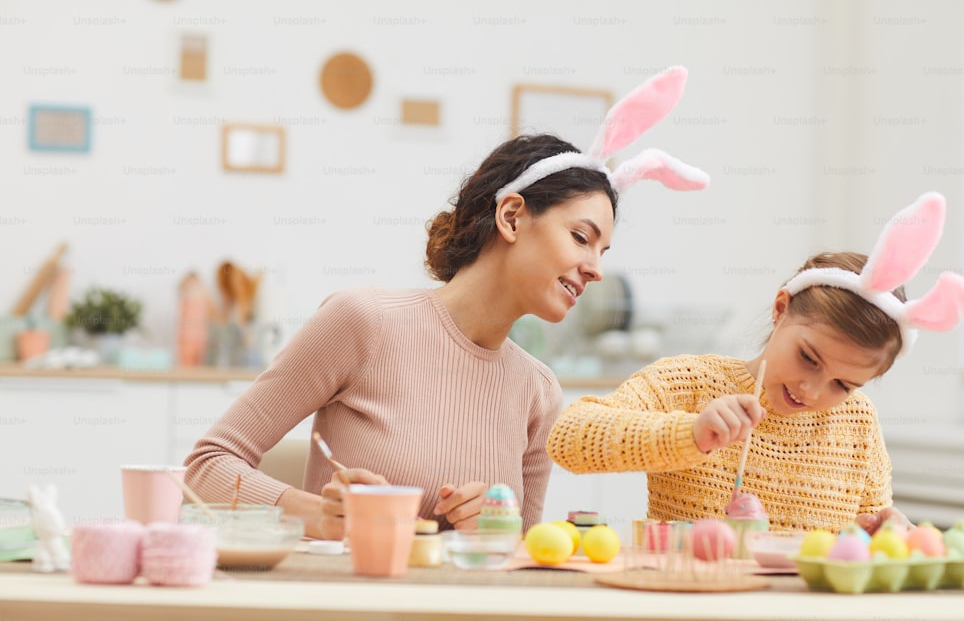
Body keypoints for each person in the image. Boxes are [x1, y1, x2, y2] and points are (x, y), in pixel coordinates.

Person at [184, 67, 710, 539]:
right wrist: (313, 512)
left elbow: (525, 559)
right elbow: (205, 468)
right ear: (510, 217)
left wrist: (497, 529)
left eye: (603, 251)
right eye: (581, 237)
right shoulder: (361, 322)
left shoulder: (538, 392)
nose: (596, 268)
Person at [547, 192, 964, 534]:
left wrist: (886, 529)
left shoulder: (858, 423)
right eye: (808, 358)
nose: (812, 390)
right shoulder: (689, 384)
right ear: (780, 308)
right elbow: (569, 439)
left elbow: (871, 521)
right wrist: (691, 433)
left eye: (843, 385)